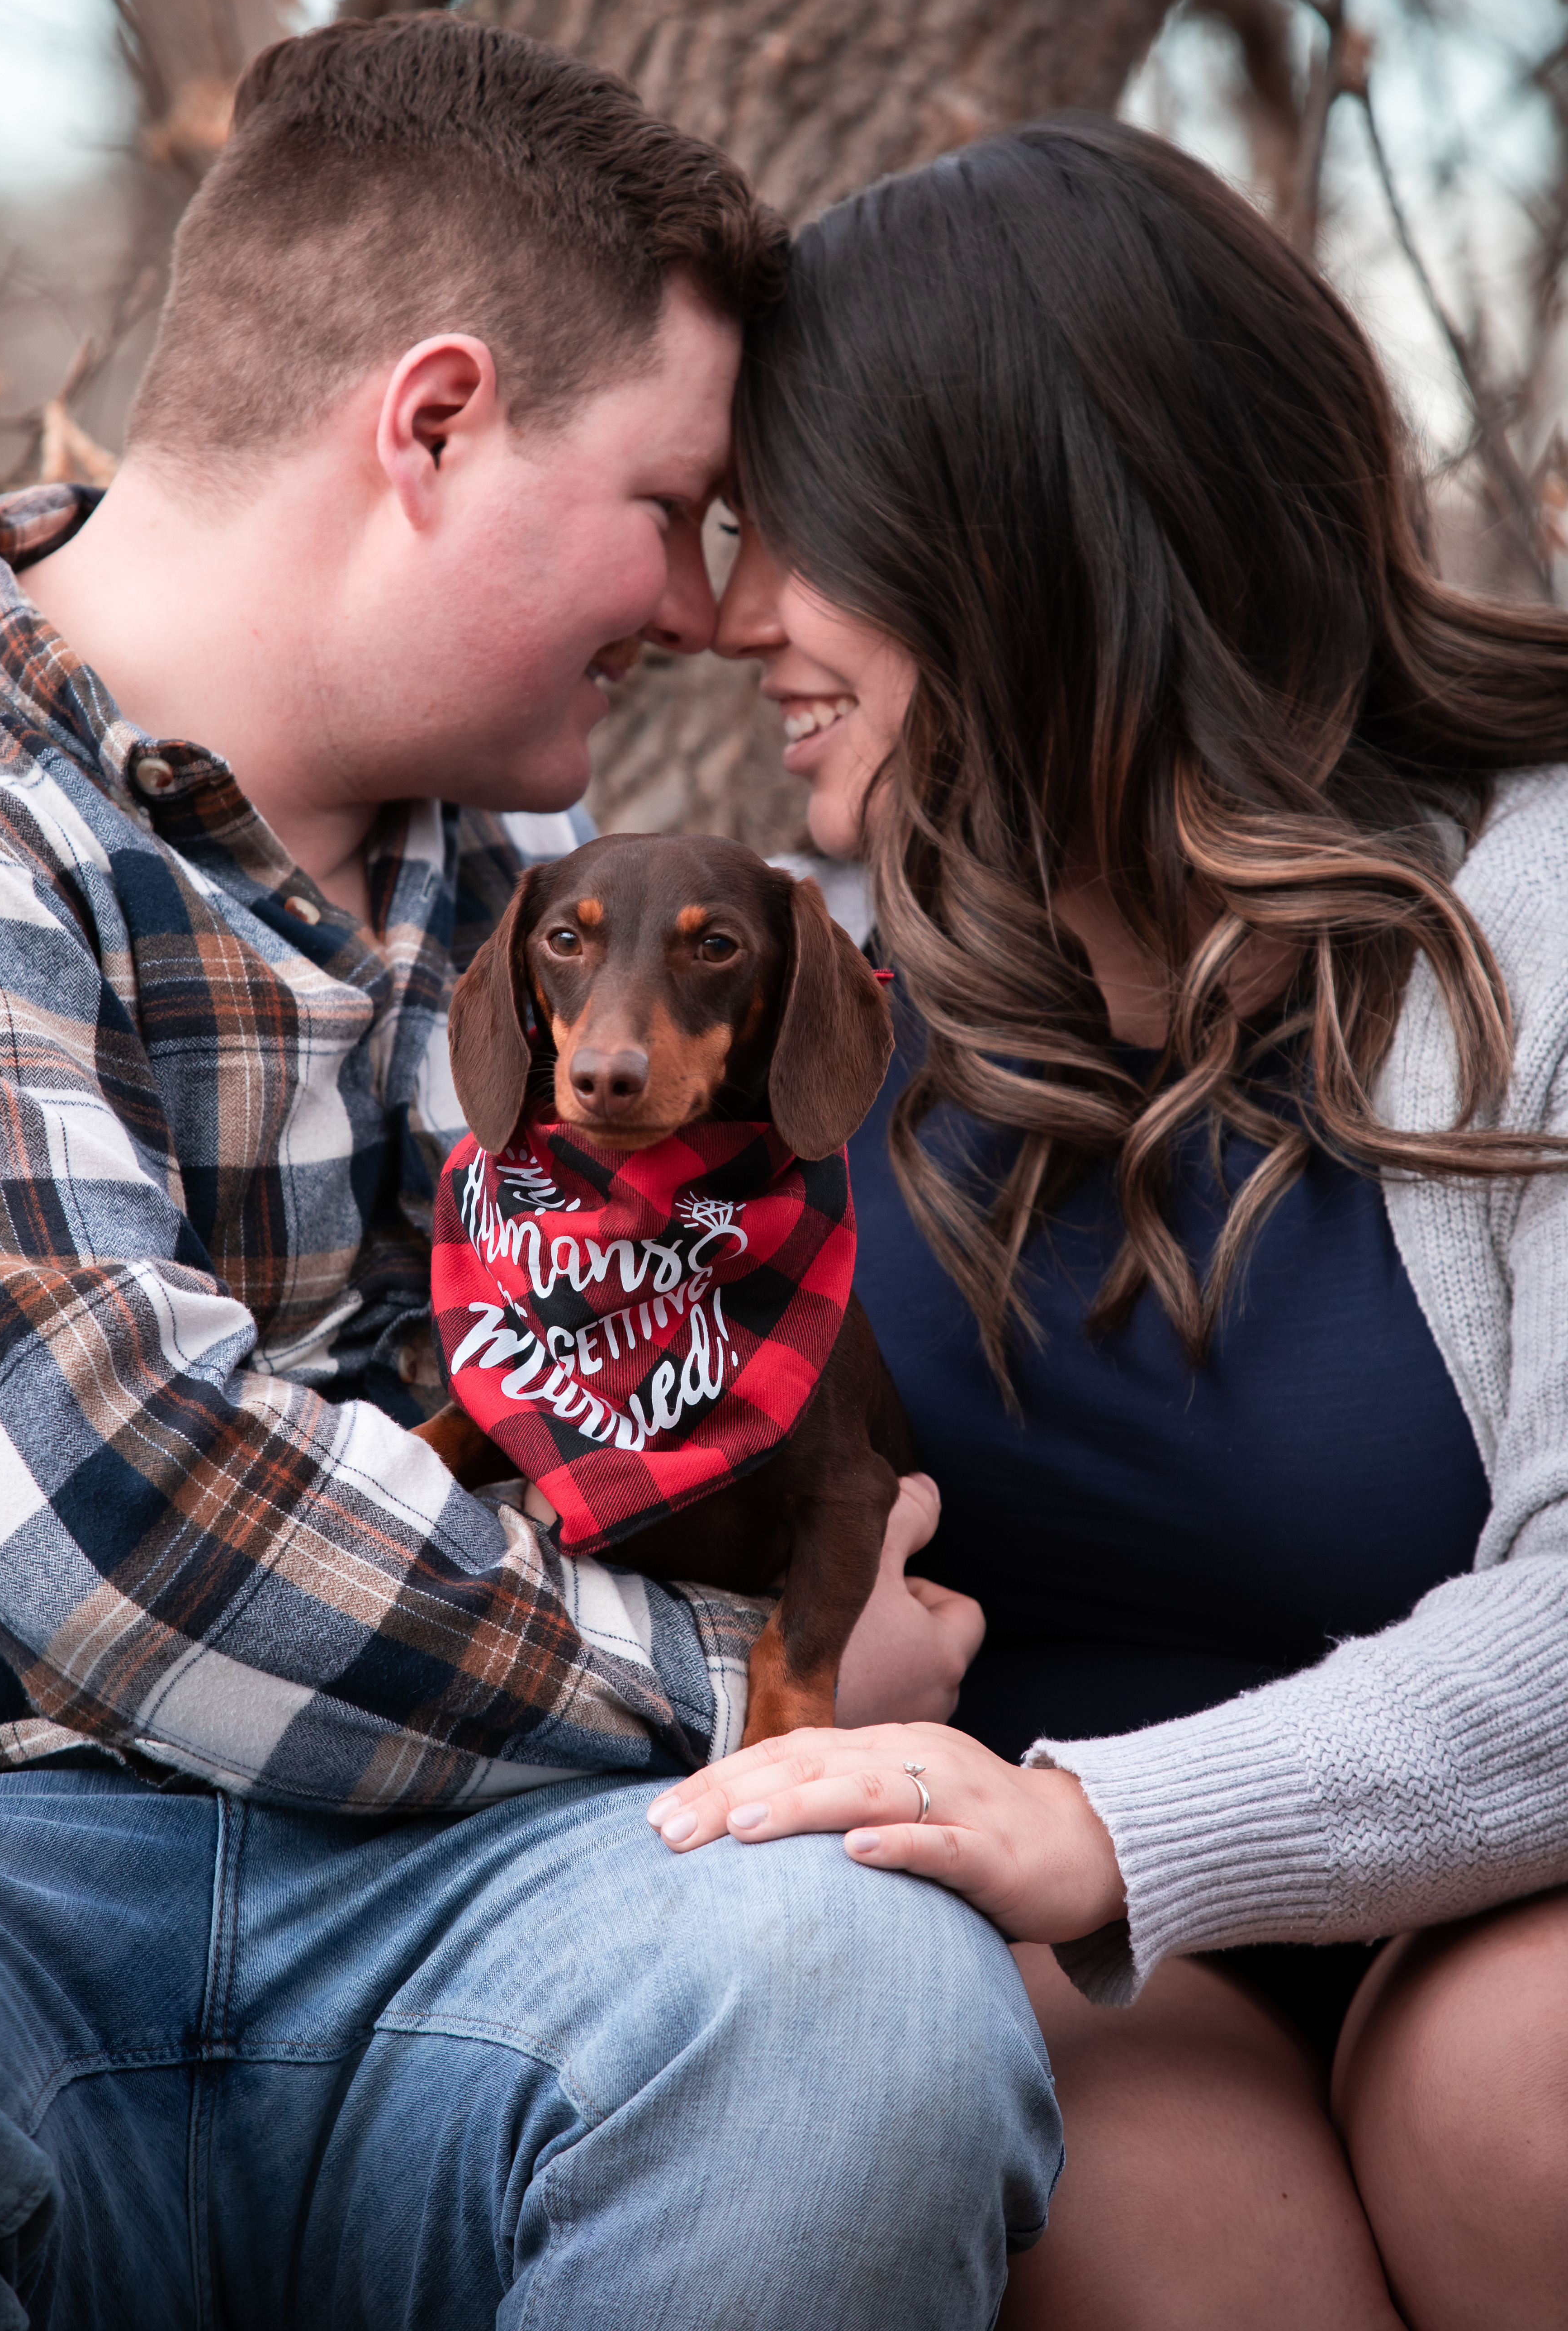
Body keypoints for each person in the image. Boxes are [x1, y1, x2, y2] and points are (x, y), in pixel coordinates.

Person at [0, 15, 1060, 2330]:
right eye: (673, 506)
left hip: (505, 1887)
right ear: (434, 425)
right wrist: (769, 1673)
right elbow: (123, 1514)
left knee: (862, 2008)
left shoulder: (556, 902)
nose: (703, 608)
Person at [655, 112, 1568, 2329]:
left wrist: (1110, 1825)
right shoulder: (815, 1002)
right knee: (1079, 2174)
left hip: (1488, 1887)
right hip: (1103, 1961)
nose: (732, 617)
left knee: (1515, 2101)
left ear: (1014, 535)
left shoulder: (1536, 915)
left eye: (798, 535)